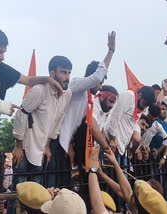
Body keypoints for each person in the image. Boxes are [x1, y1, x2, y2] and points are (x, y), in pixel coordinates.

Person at [0, 26, 63, 199]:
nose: (2, 56)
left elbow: (29, 80)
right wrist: (0, 106)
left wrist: (48, 79)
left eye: (4, 52)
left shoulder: (2, 70)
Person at [47, 31, 116, 188]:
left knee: (63, 187)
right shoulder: (77, 85)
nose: (100, 87)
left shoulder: (87, 100)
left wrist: (105, 147)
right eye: (99, 83)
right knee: (54, 188)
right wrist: (111, 51)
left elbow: (92, 125)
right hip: (56, 142)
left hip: (63, 145)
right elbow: (97, 77)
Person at [11, 56, 72, 186]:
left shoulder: (67, 95)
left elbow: (57, 123)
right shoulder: (39, 90)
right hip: (25, 148)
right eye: (63, 72)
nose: (67, 76)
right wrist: (18, 146)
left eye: (69, 73)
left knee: (36, 195)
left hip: (41, 151)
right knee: (17, 195)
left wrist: (47, 146)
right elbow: (21, 114)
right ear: (52, 73)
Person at [103, 147, 167, 214]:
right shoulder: (142, 207)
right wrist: (112, 165)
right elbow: (125, 190)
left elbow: (126, 191)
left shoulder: (136, 206)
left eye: (143, 190)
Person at [104, 85, 156, 168]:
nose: (143, 107)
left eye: (146, 106)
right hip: (111, 144)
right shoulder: (129, 96)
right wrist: (112, 141)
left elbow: (132, 125)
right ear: (139, 95)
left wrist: (135, 144)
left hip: (122, 149)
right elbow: (115, 117)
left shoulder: (139, 107)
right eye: (144, 104)